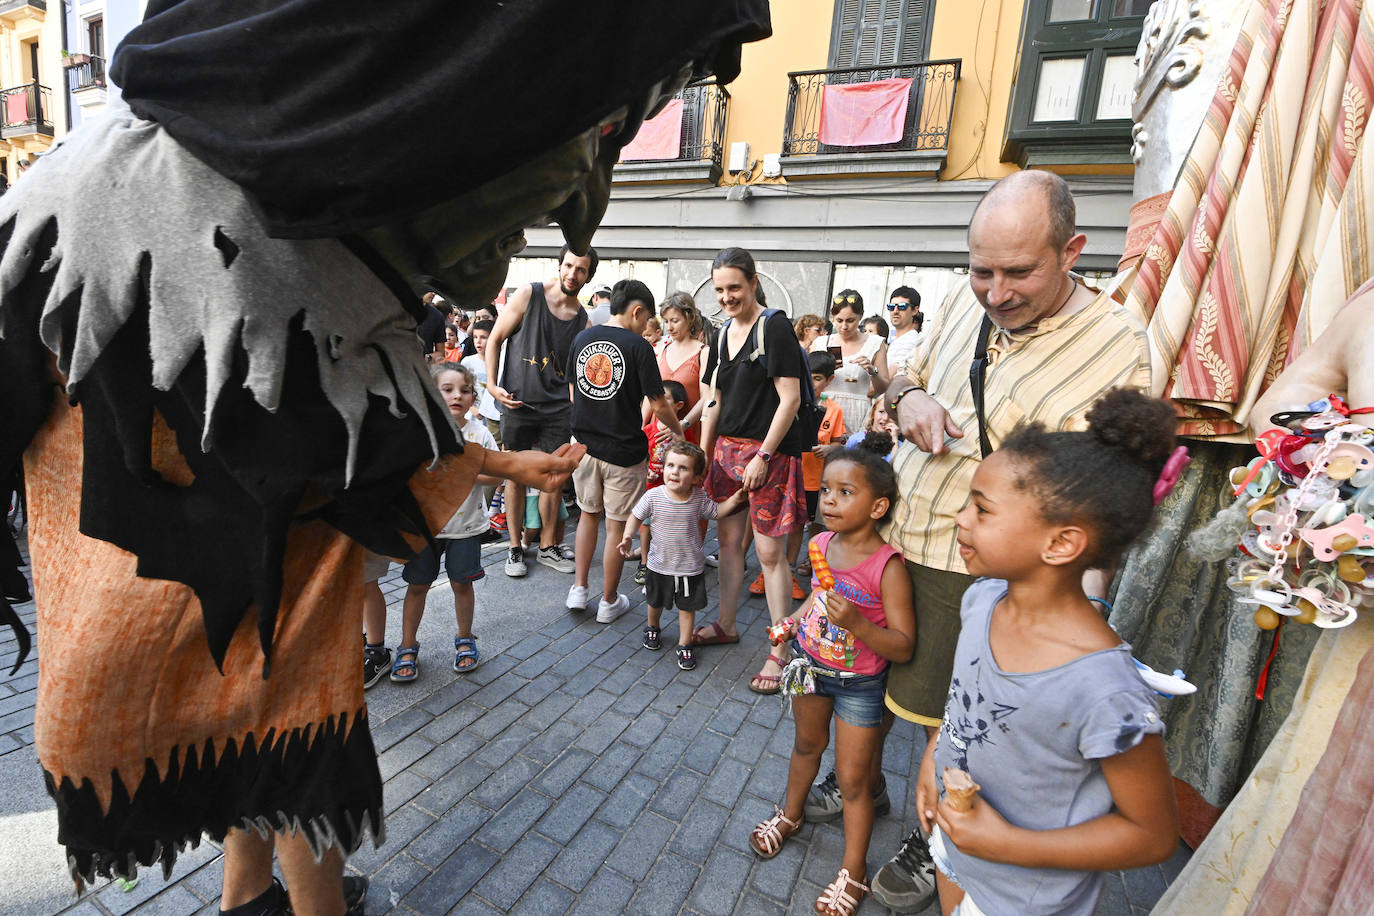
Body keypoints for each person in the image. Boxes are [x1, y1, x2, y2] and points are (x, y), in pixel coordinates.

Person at [0, 3, 771, 912]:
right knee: (290, 704)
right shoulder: (230, 262)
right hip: (192, 316)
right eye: (597, 130)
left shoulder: (171, 195)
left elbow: (378, 463)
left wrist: (501, 469)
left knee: (267, 680)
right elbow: (372, 471)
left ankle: (249, 900)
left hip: (200, 319)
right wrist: (497, 467)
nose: (575, 213)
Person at [849, 170, 1151, 913]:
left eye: (1019, 272)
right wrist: (909, 397)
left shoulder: (1118, 345)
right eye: (982, 269)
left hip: (979, 569)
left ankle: (937, 834)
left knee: (951, 713)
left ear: (1073, 251)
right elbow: (900, 379)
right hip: (899, 535)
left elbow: (1095, 501)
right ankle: (860, 783)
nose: (995, 291)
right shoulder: (959, 299)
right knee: (872, 683)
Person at [923, 388, 1179, 915]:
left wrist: (1005, 845)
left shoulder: (1107, 694)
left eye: (982, 509)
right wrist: (934, 759)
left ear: (1061, 544)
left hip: (1027, 900)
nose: (960, 519)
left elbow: (1152, 837)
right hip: (955, 856)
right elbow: (962, 705)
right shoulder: (982, 600)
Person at [749, 435, 915, 916]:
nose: (831, 500)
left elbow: (902, 645)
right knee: (805, 746)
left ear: (878, 505)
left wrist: (860, 625)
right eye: (828, 491)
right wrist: (792, 624)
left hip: (860, 684)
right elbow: (816, 601)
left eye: (846, 492)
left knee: (853, 779)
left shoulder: (888, 567)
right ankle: (791, 813)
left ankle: (854, 870)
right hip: (809, 667)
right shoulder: (821, 544)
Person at [697, 246, 808, 694]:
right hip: (726, 453)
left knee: (770, 555)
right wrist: (704, 455)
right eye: (720, 289)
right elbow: (713, 401)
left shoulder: (774, 326)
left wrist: (763, 456)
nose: (727, 296)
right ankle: (727, 623)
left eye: (734, 288)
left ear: (753, 281)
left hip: (767, 458)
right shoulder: (722, 334)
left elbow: (791, 399)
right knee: (726, 544)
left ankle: (780, 649)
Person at [565, 278, 682, 621]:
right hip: (623, 451)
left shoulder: (582, 338)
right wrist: (678, 431)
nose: (647, 327)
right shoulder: (639, 347)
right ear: (637, 310)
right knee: (616, 527)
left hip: (584, 447)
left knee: (588, 517)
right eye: (647, 320)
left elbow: (574, 390)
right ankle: (608, 601)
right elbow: (658, 402)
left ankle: (579, 589)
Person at [486, 244, 594, 578]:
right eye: (569, 266)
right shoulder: (527, 295)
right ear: (559, 265)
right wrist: (491, 385)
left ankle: (548, 546)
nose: (572, 274)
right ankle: (514, 547)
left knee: (553, 478)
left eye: (580, 270)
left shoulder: (583, 320)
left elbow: (581, 374)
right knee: (515, 475)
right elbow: (495, 339)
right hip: (517, 404)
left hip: (558, 409)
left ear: (588, 276)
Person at [388, 364, 502, 680]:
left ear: (472, 396)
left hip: (466, 527)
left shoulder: (478, 433)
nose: (457, 396)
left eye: (464, 390)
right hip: (424, 526)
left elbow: (498, 472)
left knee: (461, 584)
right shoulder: (419, 432)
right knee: (417, 585)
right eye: (447, 389)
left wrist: (464, 474)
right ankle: (407, 645)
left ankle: (464, 639)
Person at [619, 440, 747, 668]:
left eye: (683, 468)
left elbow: (716, 513)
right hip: (659, 565)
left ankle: (685, 644)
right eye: (670, 466)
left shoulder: (698, 498)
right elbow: (636, 516)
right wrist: (628, 535)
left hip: (689, 568)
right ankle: (653, 627)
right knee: (654, 602)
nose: (674, 472)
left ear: (697, 478)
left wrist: (735, 500)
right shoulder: (654, 496)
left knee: (687, 608)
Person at [793, 350, 846, 579]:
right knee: (794, 523)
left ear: (829, 380)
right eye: (807, 376)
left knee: (815, 523)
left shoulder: (833, 410)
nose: (811, 383)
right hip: (793, 475)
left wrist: (828, 449)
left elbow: (837, 443)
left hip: (817, 479)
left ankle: (811, 558)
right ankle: (787, 565)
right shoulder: (791, 403)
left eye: (817, 378)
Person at [811, 290, 889, 433]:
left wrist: (873, 372)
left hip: (857, 413)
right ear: (832, 317)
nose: (844, 327)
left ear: (860, 316)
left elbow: (883, 388)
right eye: (839, 320)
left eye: (850, 320)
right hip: (825, 410)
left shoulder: (875, 343)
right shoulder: (821, 342)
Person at [884, 285, 924, 382]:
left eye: (902, 307)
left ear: (915, 310)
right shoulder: (899, 340)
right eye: (891, 307)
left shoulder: (911, 341)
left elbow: (890, 377)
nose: (895, 311)